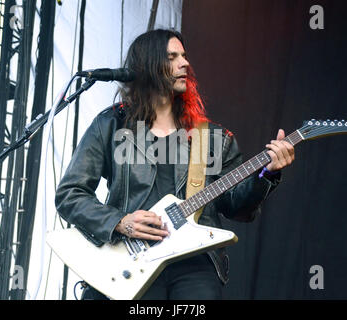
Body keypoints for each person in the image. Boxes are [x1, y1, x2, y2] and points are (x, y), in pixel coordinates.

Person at [54, 29, 295, 300]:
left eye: (184, 55)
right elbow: (70, 194)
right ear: (147, 66)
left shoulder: (211, 138)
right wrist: (119, 222)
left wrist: (266, 175)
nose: (185, 63)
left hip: (193, 268)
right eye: (172, 57)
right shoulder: (111, 125)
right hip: (127, 261)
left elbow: (237, 207)